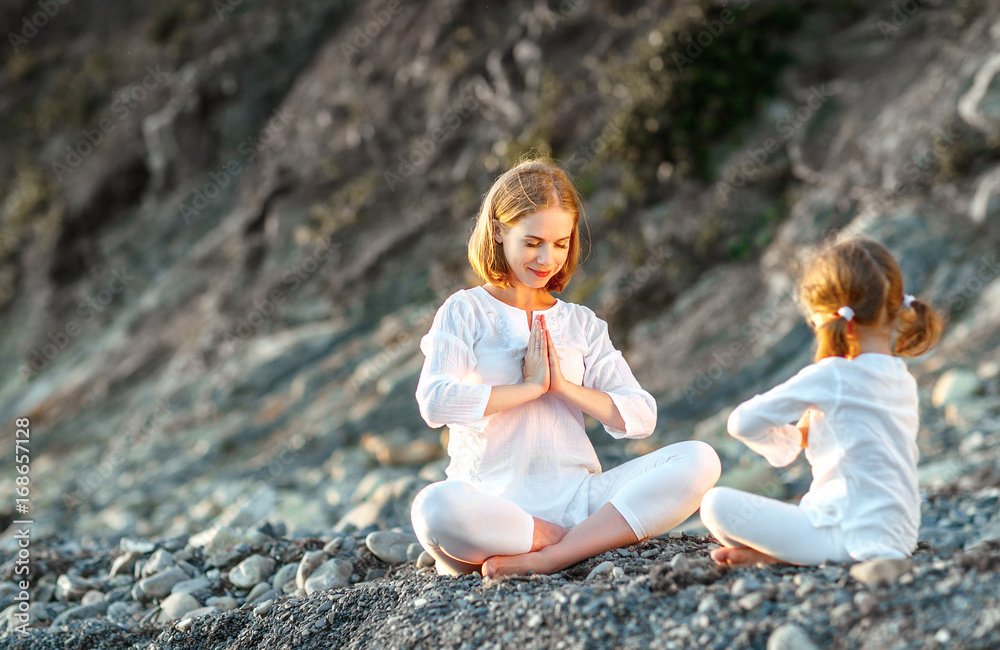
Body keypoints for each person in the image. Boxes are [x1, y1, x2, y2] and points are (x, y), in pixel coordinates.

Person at [410, 159, 721, 577]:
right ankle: (555, 540)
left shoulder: (581, 323)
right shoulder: (465, 310)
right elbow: (435, 402)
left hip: (579, 500)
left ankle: (554, 553)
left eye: (560, 243)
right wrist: (530, 387)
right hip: (493, 506)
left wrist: (562, 387)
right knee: (433, 508)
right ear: (499, 230)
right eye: (533, 241)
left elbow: (642, 417)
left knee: (700, 459)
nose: (547, 259)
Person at [700, 238, 944, 567]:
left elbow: (741, 422)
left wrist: (793, 440)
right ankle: (780, 554)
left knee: (714, 504)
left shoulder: (833, 374)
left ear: (833, 319)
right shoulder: (903, 378)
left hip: (844, 537)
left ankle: (780, 556)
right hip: (897, 537)